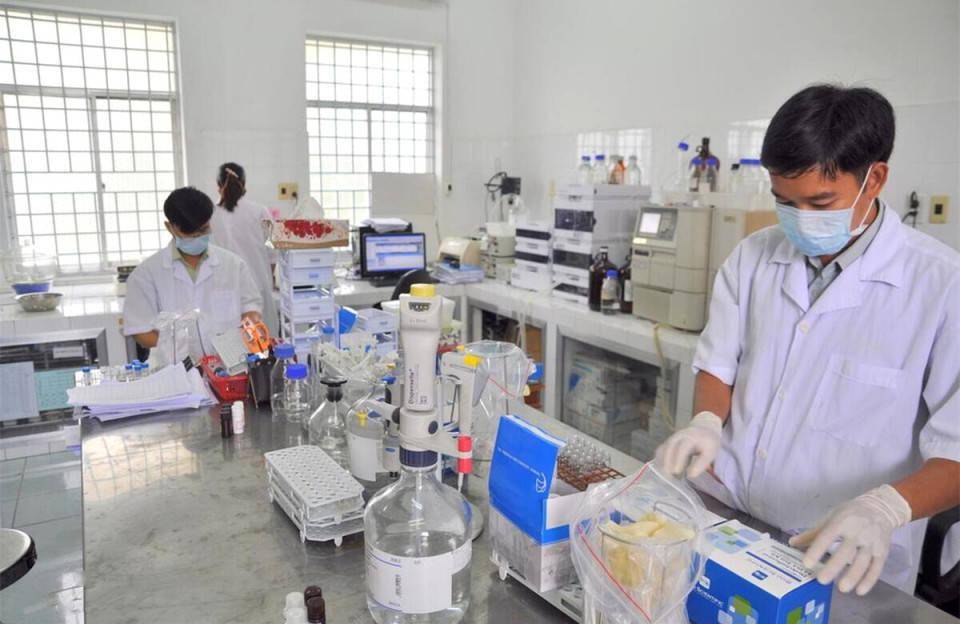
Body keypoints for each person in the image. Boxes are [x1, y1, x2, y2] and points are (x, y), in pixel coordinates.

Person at [655, 85, 959, 597]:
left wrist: (885, 509)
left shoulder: (942, 286)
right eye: (784, 202)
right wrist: (706, 420)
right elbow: (718, 365)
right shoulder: (752, 258)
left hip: (840, 555)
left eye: (820, 202)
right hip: (727, 518)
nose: (800, 219)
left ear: (874, 179)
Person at [123, 186, 262, 355]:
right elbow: (140, 330)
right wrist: (177, 351)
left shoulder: (233, 265)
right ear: (170, 227)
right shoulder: (146, 274)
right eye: (189, 234)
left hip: (229, 364)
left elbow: (250, 307)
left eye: (203, 230)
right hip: (174, 367)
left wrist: (250, 326)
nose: (197, 237)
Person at [209, 162, 278, 336]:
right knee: (262, 341)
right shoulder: (259, 211)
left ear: (218, 186)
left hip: (223, 290)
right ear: (244, 184)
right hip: (257, 286)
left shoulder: (209, 214)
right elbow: (273, 254)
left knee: (229, 344)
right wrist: (270, 280)